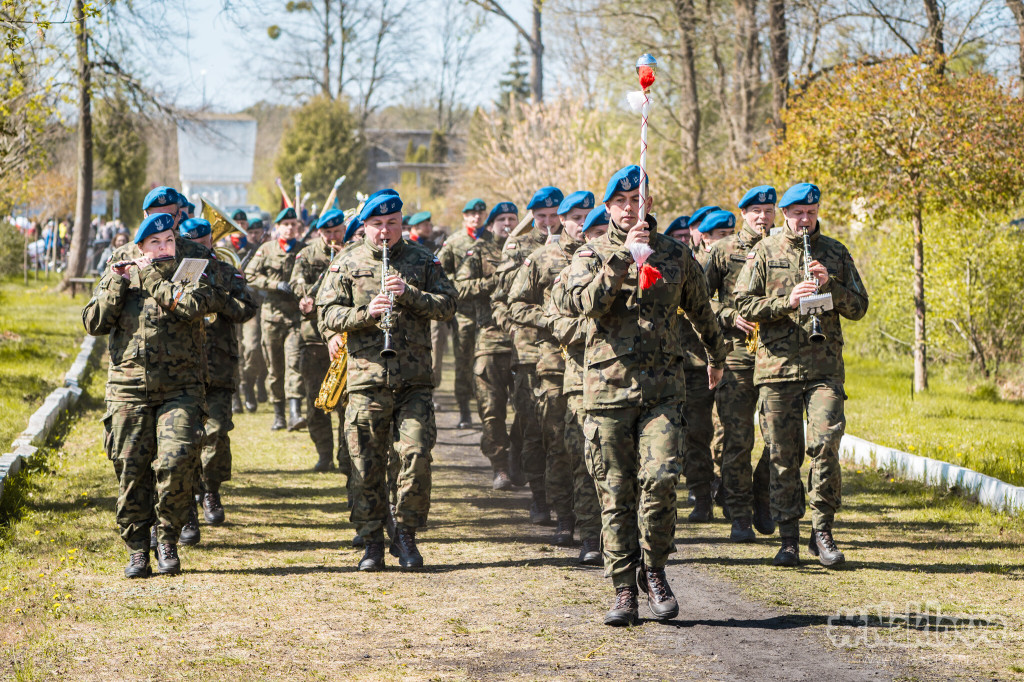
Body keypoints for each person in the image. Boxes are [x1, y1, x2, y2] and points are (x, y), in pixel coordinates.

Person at [561, 165, 726, 626]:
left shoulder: (673, 253)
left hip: (662, 391)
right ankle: (621, 587)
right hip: (607, 390)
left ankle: (653, 569)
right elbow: (583, 304)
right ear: (610, 208)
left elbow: (701, 309)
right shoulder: (590, 254)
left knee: (661, 478)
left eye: (640, 201)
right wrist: (622, 259)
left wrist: (717, 354)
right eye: (622, 203)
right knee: (615, 491)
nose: (632, 209)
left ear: (649, 205)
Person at [316, 191, 456, 571]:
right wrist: (366, 312)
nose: (385, 231)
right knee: (367, 463)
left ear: (400, 223)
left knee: (415, 456)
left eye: (392, 223)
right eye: (377, 224)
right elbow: (326, 314)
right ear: (364, 225)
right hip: (365, 380)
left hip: (413, 381)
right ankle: (372, 540)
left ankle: (407, 534)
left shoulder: (423, 259)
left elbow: (447, 306)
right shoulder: (346, 261)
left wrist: (409, 294)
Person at [734, 183, 869, 568]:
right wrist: (786, 302)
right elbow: (743, 303)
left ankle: (822, 530)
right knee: (782, 453)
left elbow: (859, 306)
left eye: (811, 213)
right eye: (798, 214)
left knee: (826, 443)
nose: (805, 220)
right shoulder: (764, 251)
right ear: (785, 214)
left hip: (824, 368)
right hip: (776, 369)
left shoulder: (835, 252)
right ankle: (788, 536)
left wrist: (832, 286)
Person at [83, 213, 216, 577]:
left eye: (169, 240)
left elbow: (190, 307)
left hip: (181, 388)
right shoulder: (119, 268)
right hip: (128, 388)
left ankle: (168, 538)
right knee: (131, 470)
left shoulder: (189, 269)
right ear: (139, 246)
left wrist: (153, 276)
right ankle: (138, 548)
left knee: (177, 461)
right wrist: (117, 282)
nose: (163, 248)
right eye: (154, 243)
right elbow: (94, 322)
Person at [507, 190, 595, 546]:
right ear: (562, 220)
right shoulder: (542, 258)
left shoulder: (606, 255)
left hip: (601, 366)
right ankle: (564, 516)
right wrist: (550, 319)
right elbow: (515, 304)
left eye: (588, 217)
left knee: (594, 445)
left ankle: (596, 522)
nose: (582, 224)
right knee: (559, 444)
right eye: (575, 218)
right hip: (555, 365)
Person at [704, 188, 778, 540]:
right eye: (755, 211)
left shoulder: (783, 248)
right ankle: (739, 513)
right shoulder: (723, 250)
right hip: (736, 356)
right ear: (744, 213)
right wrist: (730, 315)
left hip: (778, 355)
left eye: (768, 210)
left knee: (780, 438)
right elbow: (697, 301)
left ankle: (763, 495)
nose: (762, 217)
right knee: (738, 438)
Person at [178, 218, 258, 533]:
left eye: (204, 242)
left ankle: (211, 491)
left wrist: (219, 299)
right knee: (186, 438)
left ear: (211, 241)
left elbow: (248, 308)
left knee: (217, 432)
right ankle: (187, 503)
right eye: (192, 242)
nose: (199, 247)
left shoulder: (226, 271)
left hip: (220, 365)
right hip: (182, 366)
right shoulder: (177, 271)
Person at [492, 186, 562, 520]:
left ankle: (564, 495)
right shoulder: (518, 245)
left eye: (554, 216)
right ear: (533, 217)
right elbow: (504, 293)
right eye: (542, 217)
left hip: (566, 350)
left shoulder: (579, 242)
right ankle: (538, 495)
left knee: (563, 427)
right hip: (529, 349)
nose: (549, 222)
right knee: (531, 421)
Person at [545, 202, 609, 565]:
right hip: (583, 381)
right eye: (596, 234)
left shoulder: (638, 270)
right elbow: (558, 324)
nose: (603, 241)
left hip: (630, 384)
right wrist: (602, 329)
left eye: (606, 234)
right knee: (587, 463)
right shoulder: (570, 275)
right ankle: (589, 536)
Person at [452, 202, 516, 489]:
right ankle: (500, 467)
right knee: (492, 412)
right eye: (501, 219)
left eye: (512, 219)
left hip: (524, 343)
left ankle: (520, 458)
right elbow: (460, 288)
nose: (508, 224)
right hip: (489, 341)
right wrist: (495, 280)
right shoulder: (479, 251)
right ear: (490, 225)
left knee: (530, 411)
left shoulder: (528, 250)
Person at [290, 209, 349, 474]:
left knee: (347, 403)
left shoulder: (353, 252)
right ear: (319, 233)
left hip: (345, 336)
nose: (333, 237)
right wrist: (303, 296)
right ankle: (324, 455)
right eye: (328, 233)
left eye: (337, 231)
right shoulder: (307, 254)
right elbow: (296, 280)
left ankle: (346, 454)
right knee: (317, 400)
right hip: (313, 339)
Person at [244, 207, 307, 432]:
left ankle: (295, 413)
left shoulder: (303, 250)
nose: (290, 228)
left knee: (294, 364)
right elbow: (249, 275)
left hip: (295, 318)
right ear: (277, 227)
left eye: (293, 224)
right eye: (285, 224)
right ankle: (279, 414)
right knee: (274, 368)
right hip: (271, 317)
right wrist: (274, 284)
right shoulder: (266, 249)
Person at [436, 199, 488, 428]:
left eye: (479, 213)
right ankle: (465, 412)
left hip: (489, 315)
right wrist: (455, 290)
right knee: (463, 363)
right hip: (464, 315)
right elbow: (439, 273)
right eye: (471, 214)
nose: (475, 217)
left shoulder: (492, 240)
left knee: (489, 364)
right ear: (464, 216)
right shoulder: (454, 242)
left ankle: (488, 412)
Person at [408, 211, 448, 389]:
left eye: (430, 225)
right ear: (415, 227)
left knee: (435, 350)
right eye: (426, 225)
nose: (430, 228)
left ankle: (431, 389)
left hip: (430, 305)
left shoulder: (435, 247)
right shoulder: (405, 246)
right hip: (409, 306)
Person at [236, 217, 269, 411]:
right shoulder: (233, 251)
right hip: (236, 304)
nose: (254, 235)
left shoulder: (261, 250)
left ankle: (251, 382)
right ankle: (241, 390)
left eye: (258, 232)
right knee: (241, 349)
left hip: (257, 303)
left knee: (256, 348)